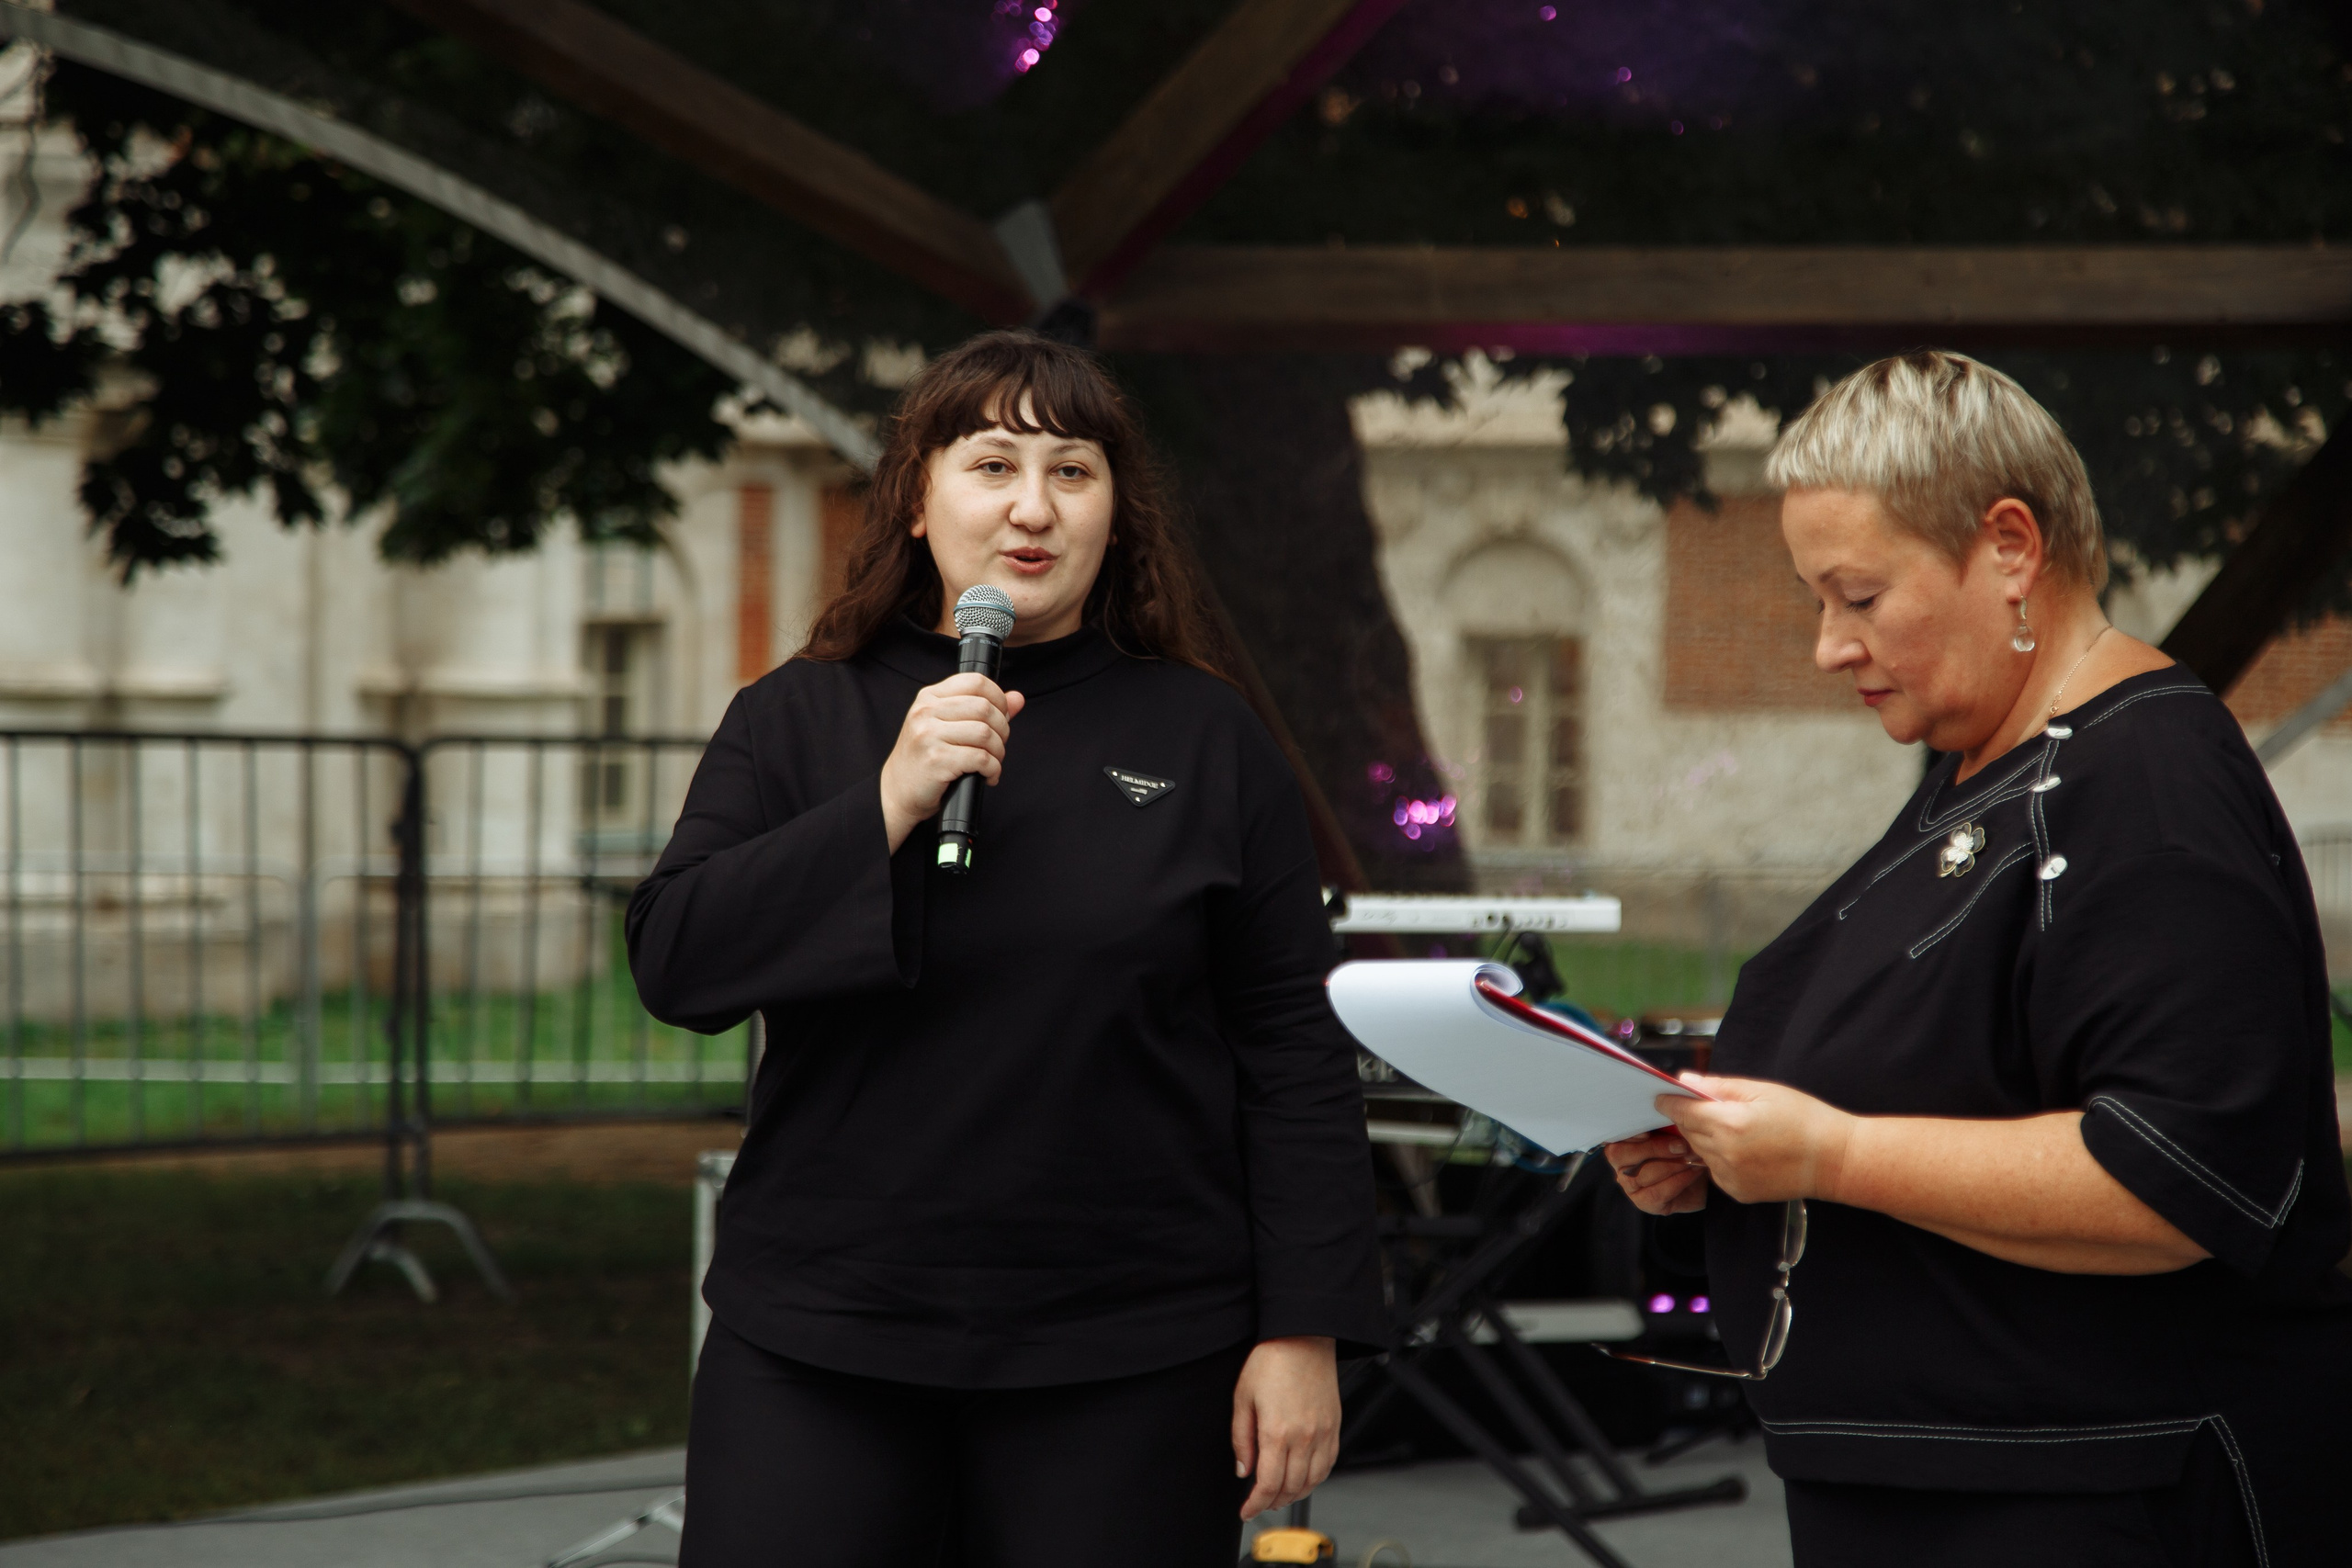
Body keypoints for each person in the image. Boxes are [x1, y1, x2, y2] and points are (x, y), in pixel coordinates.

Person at [627, 330, 1385, 1566]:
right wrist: (887, 801)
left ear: (1116, 515)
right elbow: (678, 964)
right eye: (992, 465)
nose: (1033, 508)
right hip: (825, 1336)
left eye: (1073, 472)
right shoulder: (796, 718)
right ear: (917, 501)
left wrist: (1304, 1331)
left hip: (1129, 1347)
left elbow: (1292, 1047)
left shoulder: (1206, 736)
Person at [1605, 351, 2352, 1567]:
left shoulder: (2147, 782)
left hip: (2096, 1499)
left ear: (2010, 548)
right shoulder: (1984, 763)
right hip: (1952, 1489)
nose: (1827, 648)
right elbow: (1957, 1073)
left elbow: (2177, 1178)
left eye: (1857, 595)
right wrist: (1722, 1145)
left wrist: (1827, 1152)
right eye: (1816, 601)